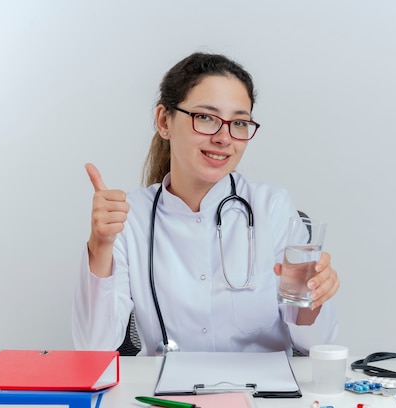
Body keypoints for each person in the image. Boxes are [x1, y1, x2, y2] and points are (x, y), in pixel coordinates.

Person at [72, 52, 340, 356]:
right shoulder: (129, 218)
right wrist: (101, 246)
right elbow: (93, 349)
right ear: (164, 121)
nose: (224, 137)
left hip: (261, 394)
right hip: (167, 396)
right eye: (206, 118)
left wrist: (313, 295)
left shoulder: (272, 207)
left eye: (239, 123)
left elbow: (318, 345)